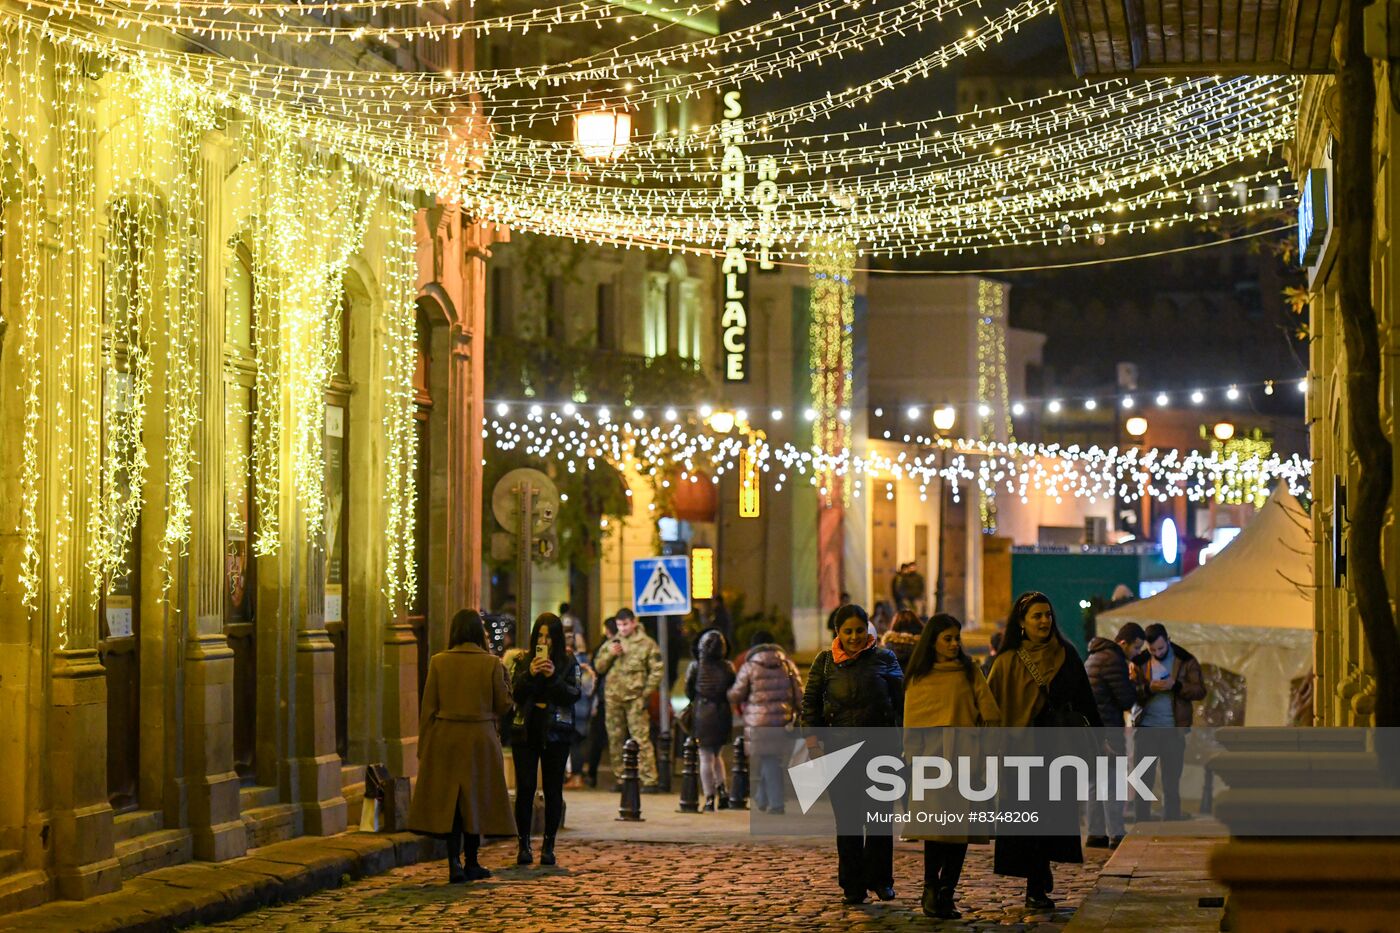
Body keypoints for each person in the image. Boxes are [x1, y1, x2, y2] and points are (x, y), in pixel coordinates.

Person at [986, 592, 1102, 911]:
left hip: (1058, 749)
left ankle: (1041, 871)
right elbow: (990, 707)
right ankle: (1036, 881)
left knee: (1053, 815)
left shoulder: (1066, 654)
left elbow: (1084, 701)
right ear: (1021, 623)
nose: (1043, 621)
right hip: (1020, 751)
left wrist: (1105, 737)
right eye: (1036, 616)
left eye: (1047, 615)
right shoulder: (1006, 662)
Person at [801, 604, 905, 906]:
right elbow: (810, 706)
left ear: (868, 630)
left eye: (860, 630)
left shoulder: (885, 659)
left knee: (879, 819)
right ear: (838, 633)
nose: (855, 637)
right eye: (848, 631)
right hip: (839, 753)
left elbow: (901, 704)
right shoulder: (824, 663)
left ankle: (881, 880)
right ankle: (852, 885)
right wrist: (812, 744)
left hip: (880, 754)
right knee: (847, 822)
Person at [903, 613, 1002, 919]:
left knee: (961, 831)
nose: (954, 643)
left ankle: (948, 891)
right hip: (930, 762)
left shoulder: (968, 671)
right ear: (933, 640)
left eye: (956, 638)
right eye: (947, 638)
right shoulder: (919, 676)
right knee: (935, 832)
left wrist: (985, 749)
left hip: (966, 759)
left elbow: (990, 712)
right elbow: (912, 724)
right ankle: (930, 889)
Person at [407, 610, 514, 883]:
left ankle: (453, 861)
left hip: (446, 737)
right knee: (474, 801)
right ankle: (472, 860)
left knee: (451, 803)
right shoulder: (490, 663)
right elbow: (503, 704)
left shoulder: (439, 662)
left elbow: (428, 708)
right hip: (479, 739)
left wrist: (424, 746)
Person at [507, 613, 581, 866]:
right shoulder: (521, 660)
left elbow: (573, 694)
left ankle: (549, 845)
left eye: (549, 636)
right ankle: (523, 843)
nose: (544, 640)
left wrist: (553, 676)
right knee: (525, 788)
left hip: (557, 732)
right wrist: (529, 672)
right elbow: (513, 692)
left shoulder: (569, 662)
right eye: (540, 635)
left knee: (552, 790)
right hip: (526, 729)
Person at [1130, 623, 1206, 822]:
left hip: (1173, 730)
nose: (1157, 653)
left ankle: (1170, 826)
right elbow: (1130, 694)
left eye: (1161, 648)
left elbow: (1200, 691)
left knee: (1171, 782)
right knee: (1142, 781)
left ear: (1169, 640)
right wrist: (1149, 689)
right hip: (1146, 729)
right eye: (1152, 649)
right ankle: (1141, 826)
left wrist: (1176, 685)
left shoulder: (1185, 659)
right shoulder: (1139, 662)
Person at [1083, 622, 1145, 847]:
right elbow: (1126, 700)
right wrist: (1135, 682)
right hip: (1109, 728)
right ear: (1123, 643)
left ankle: (1095, 832)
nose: (1137, 653)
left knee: (1094, 782)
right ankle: (1116, 833)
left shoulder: (1094, 656)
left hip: (1091, 730)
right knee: (1113, 781)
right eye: (1136, 648)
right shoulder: (1113, 660)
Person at [728, 629, 803, 814]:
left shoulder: (750, 666)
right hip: (782, 721)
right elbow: (799, 693)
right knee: (770, 759)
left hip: (758, 722)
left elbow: (736, 694)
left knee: (769, 760)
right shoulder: (787, 665)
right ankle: (761, 798)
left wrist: (727, 694)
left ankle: (776, 803)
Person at [594, 608, 665, 791]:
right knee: (615, 738)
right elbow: (599, 667)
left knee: (641, 738)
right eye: (619, 625)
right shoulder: (612, 642)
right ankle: (621, 777)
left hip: (635, 698)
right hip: (613, 697)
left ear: (634, 623)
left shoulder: (646, 644)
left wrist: (646, 693)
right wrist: (611, 653)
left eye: (625, 624)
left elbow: (657, 670)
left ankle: (649, 779)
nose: (623, 628)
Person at [684, 628, 737, 811]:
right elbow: (733, 687)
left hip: (702, 712)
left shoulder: (696, 666)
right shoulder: (728, 666)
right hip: (722, 712)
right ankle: (723, 790)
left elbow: (688, 690)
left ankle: (709, 798)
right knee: (717, 755)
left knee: (705, 757)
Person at [582, 616, 617, 787]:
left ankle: (592, 774)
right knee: (601, 737)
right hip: (605, 698)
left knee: (600, 737)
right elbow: (597, 668)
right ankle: (592, 774)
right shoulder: (606, 649)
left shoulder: (606, 647)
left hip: (606, 698)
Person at [563, 621, 596, 789]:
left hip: (576, 707)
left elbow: (585, 687)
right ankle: (575, 775)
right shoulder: (585, 659)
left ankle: (576, 776)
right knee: (576, 742)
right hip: (582, 706)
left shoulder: (577, 661)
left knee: (574, 742)